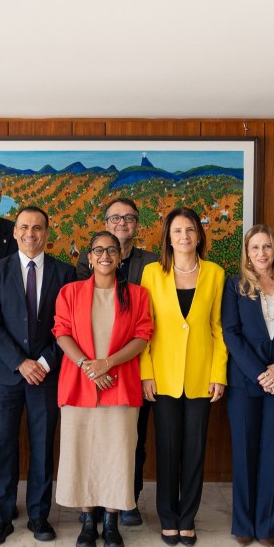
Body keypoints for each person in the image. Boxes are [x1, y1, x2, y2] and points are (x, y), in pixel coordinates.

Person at [0, 205, 75, 545]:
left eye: (37, 228)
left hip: (46, 376)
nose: (30, 233)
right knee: (3, 448)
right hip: (7, 374)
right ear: (15, 232)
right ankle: (1, 519)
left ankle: (39, 516)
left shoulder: (65, 273)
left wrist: (44, 363)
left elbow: (68, 326)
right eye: (24, 227)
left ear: (47, 233)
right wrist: (21, 362)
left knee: (42, 447)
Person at [54, 231, 154, 547]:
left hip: (120, 384)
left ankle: (111, 521)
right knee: (81, 451)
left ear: (120, 256)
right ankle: (87, 521)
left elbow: (142, 336)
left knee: (118, 453)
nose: (105, 256)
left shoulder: (137, 295)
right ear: (89, 256)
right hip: (79, 384)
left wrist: (107, 363)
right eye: (98, 250)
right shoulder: (70, 292)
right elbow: (61, 332)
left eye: (112, 250)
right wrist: (88, 366)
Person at [139, 207, 228, 547]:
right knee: (167, 449)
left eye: (190, 229)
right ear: (168, 237)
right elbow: (144, 329)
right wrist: (146, 373)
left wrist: (219, 374)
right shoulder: (152, 273)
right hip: (162, 378)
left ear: (199, 235)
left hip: (200, 377)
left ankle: (187, 517)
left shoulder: (215, 274)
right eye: (177, 231)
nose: (184, 236)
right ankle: (168, 517)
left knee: (194, 451)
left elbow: (218, 329)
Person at [74, 197, 160, 526]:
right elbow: (81, 311)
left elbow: (149, 317)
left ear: (137, 224)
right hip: (94, 364)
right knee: (96, 437)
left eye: (129, 218)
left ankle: (128, 500)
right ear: (106, 223)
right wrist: (93, 364)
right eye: (115, 218)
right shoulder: (86, 261)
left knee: (131, 438)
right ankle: (95, 501)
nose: (122, 223)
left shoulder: (151, 262)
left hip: (135, 361)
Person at [222, 225, 274, 547]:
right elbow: (231, 333)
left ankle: (267, 525)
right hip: (245, 381)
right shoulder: (236, 285)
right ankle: (244, 524)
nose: (261, 253)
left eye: (267, 247)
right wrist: (261, 373)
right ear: (247, 252)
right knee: (245, 452)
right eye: (255, 247)